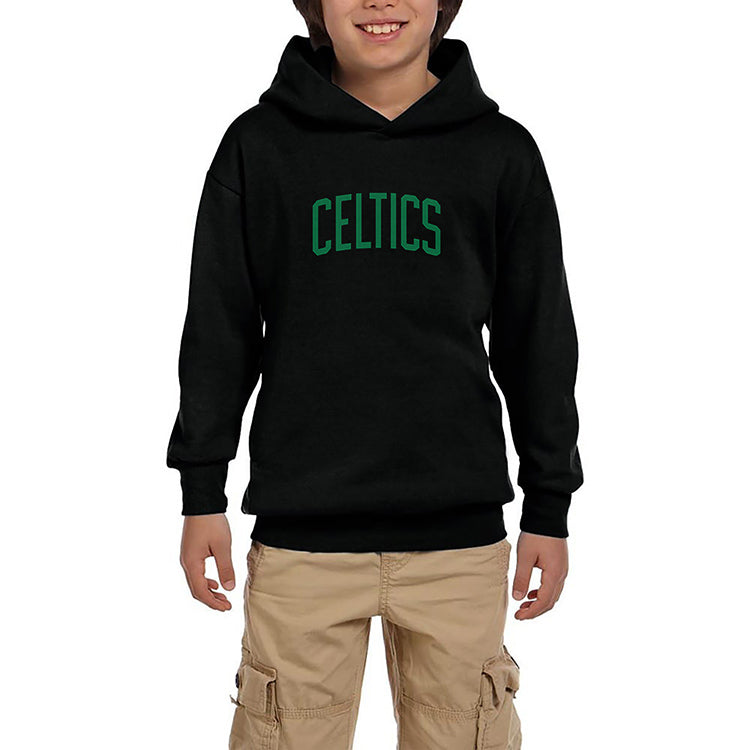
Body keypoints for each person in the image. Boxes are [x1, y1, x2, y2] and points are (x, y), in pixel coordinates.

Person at [166, 1, 583, 747]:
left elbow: (538, 341)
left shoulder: (500, 152)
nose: (380, 1)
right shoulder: (259, 146)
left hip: (459, 543)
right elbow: (219, 333)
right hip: (301, 539)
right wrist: (202, 492)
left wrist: (549, 506)